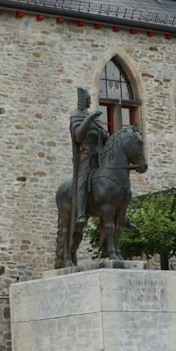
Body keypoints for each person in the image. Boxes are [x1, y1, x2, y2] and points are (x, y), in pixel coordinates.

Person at [69, 86, 109, 245]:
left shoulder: (95, 119)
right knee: (82, 181)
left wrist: (104, 134)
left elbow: (105, 137)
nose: (89, 102)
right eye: (87, 100)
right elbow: (78, 136)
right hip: (86, 156)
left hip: (100, 155)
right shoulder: (76, 116)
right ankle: (80, 213)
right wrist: (90, 117)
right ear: (82, 101)